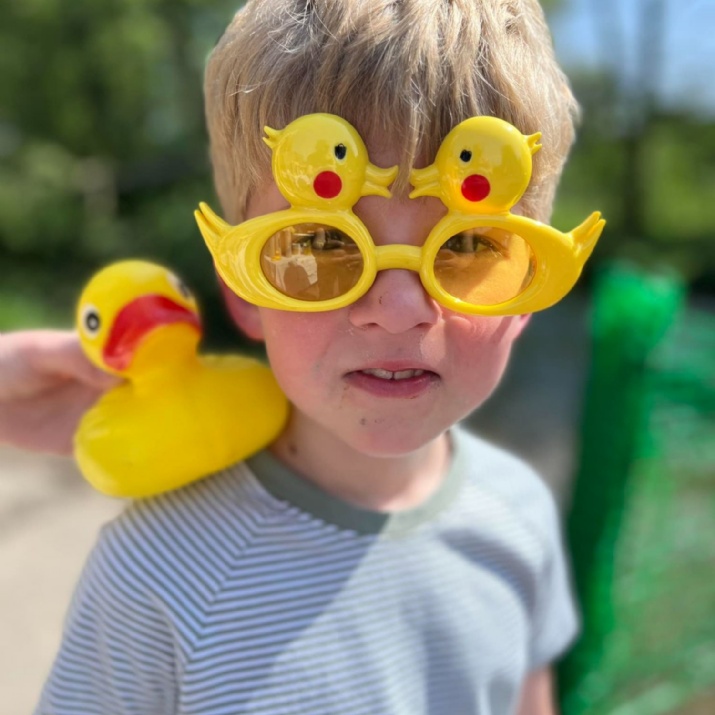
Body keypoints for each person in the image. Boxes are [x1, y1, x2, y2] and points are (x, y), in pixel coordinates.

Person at [1, 1, 587, 712]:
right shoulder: (155, 574)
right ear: (241, 290)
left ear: (526, 289)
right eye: (317, 244)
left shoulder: (519, 514)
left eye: (467, 247)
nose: (397, 309)